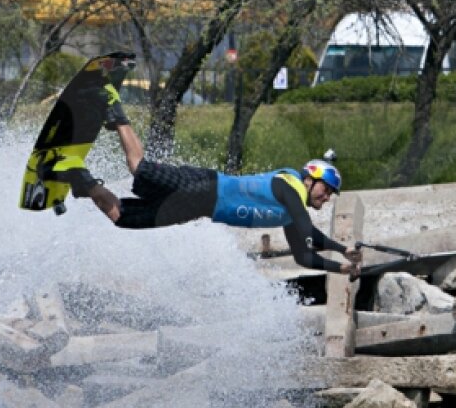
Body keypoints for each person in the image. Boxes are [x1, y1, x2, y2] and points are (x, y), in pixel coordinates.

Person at [53, 54, 361, 278]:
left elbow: (304, 255)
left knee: (122, 217)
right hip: (204, 186)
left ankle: (82, 179)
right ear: (311, 179)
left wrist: (341, 262)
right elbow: (308, 232)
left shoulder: (294, 211)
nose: (328, 197)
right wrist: (338, 248)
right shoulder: (289, 185)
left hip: (197, 208)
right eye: (327, 189)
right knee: (139, 168)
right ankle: (113, 106)